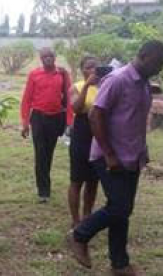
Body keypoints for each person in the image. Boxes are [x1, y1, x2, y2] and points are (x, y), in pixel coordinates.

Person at [68, 40, 163, 275]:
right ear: (146, 55)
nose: (160, 69)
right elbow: (95, 116)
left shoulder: (142, 84)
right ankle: (79, 236)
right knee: (119, 208)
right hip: (110, 157)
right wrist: (109, 154)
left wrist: (142, 151)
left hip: (132, 157)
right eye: (159, 63)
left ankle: (119, 264)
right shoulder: (117, 79)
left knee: (122, 210)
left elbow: (135, 120)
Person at [20, 47, 72, 203]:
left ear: (55, 57)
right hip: (38, 118)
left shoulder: (62, 73)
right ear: (40, 59)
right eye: (44, 57)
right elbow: (26, 99)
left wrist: (69, 121)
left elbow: (69, 100)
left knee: (48, 153)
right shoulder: (34, 74)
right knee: (40, 153)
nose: (48, 59)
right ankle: (43, 191)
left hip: (57, 118)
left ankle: (45, 183)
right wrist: (25, 123)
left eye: (50, 56)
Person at [67, 56, 99, 229]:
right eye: (89, 67)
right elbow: (76, 108)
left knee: (94, 180)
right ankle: (75, 219)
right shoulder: (76, 87)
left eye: (96, 67)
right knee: (77, 179)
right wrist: (87, 85)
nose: (93, 70)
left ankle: (87, 215)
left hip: (99, 136)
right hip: (81, 134)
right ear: (82, 70)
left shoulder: (105, 86)